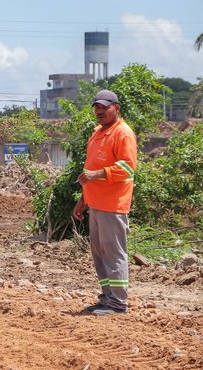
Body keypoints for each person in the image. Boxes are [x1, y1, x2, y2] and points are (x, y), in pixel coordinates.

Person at [73, 89, 137, 316]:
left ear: (116, 108)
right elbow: (89, 172)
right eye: (97, 107)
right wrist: (83, 200)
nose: (99, 111)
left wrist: (97, 174)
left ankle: (118, 303)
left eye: (104, 107)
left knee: (114, 254)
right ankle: (107, 298)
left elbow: (128, 167)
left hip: (113, 204)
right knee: (100, 254)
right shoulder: (98, 133)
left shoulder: (123, 133)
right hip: (96, 204)